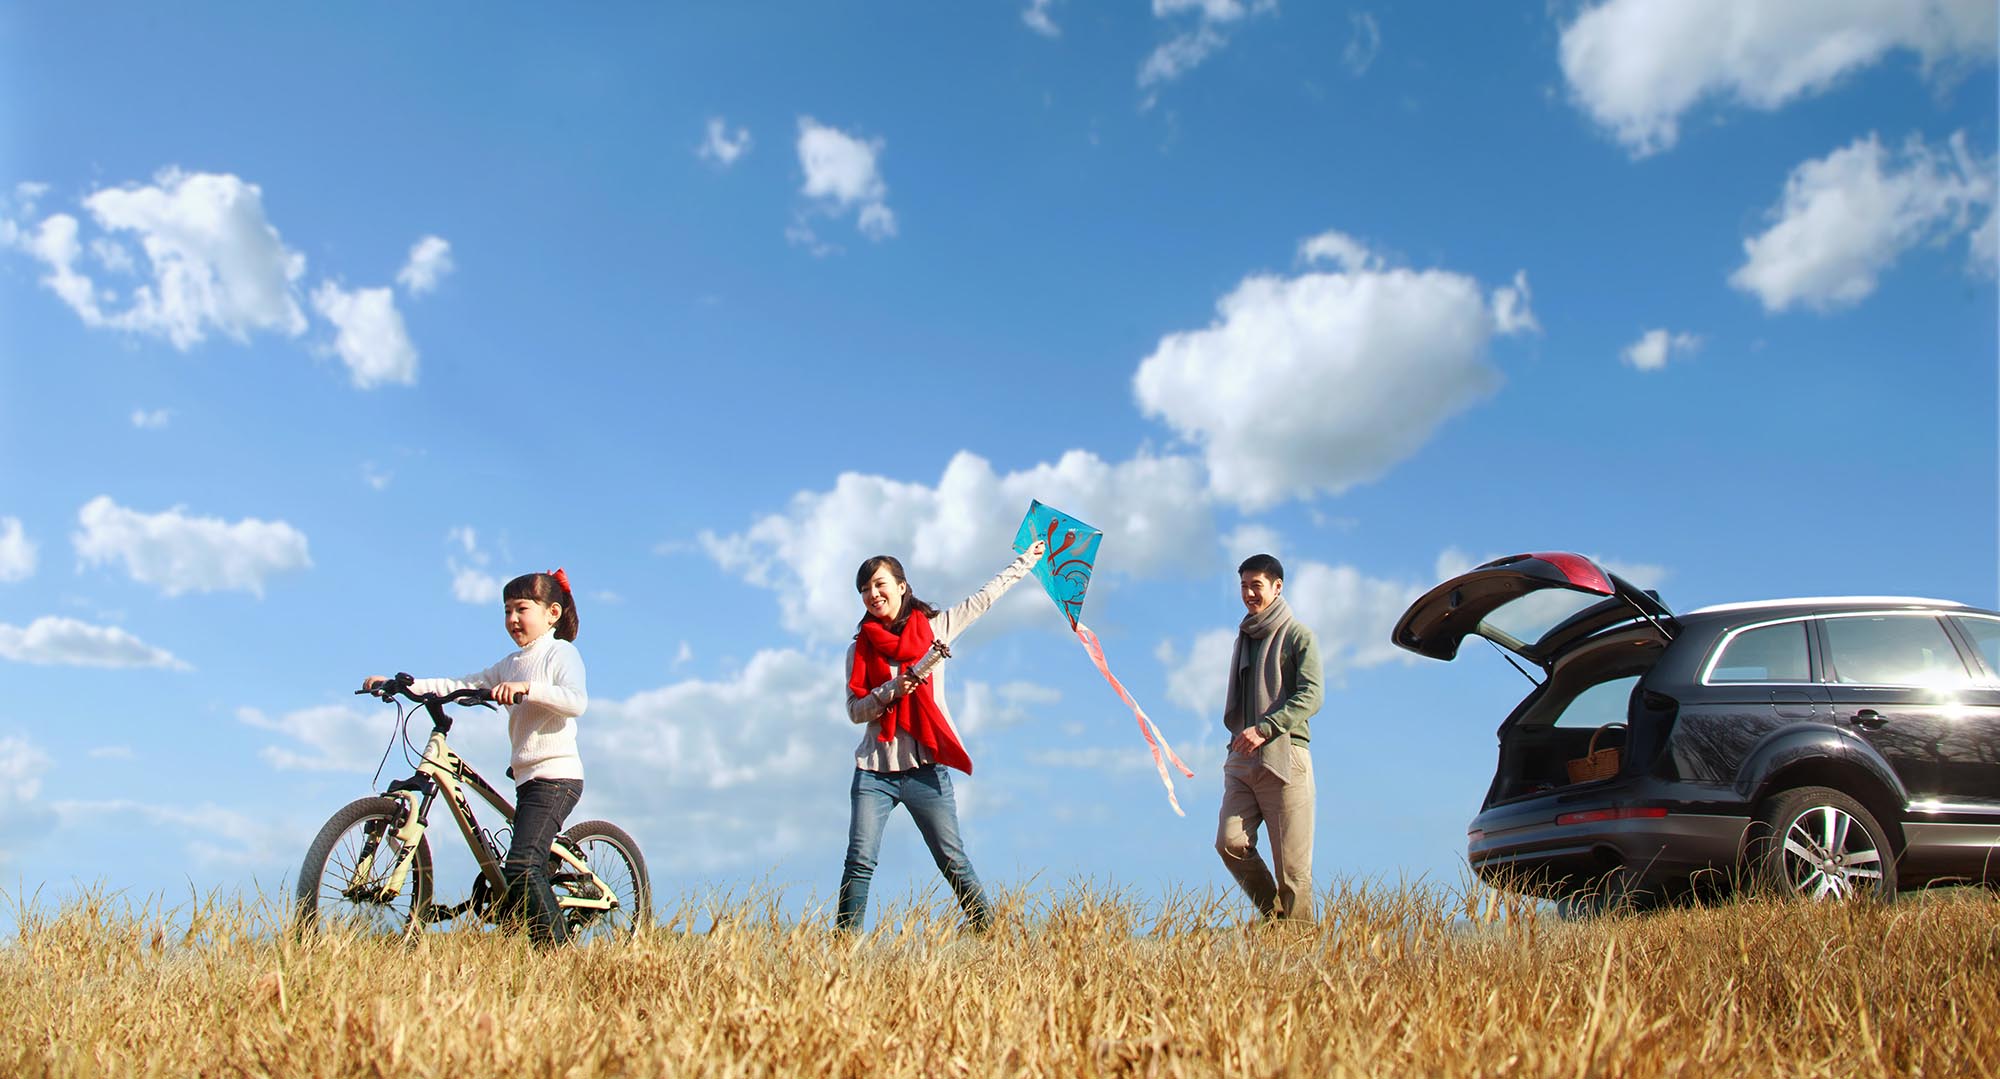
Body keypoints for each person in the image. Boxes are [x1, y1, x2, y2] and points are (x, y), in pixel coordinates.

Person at [363, 569, 587, 946]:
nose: (512, 619)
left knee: (522, 865)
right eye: (506, 611)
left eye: (521, 609)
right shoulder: (510, 663)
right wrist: (401, 684)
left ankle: (556, 953)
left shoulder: (561, 653)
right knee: (522, 865)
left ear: (552, 613)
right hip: (525, 776)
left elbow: (575, 701)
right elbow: (460, 684)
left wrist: (528, 689)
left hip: (557, 777)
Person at [836, 539, 1044, 932]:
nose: (872, 594)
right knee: (859, 861)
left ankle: (991, 933)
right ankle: (843, 945)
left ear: (901, 586)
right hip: (874, 772)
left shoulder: (937, 629)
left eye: (879, 584)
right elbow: (854, 711)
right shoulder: (859, 649)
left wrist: (1025, 562)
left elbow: (985, 598)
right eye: (864, 589)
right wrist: (891, 691)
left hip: (925, 769)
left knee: (953, 859)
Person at [1215, 553, 1323, 921]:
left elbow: (1312, 695)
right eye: (1243, 586)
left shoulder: (1298, 635)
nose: (1248, 593)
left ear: (1277, 587)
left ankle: (1299, 951)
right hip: (1243, 759)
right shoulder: (1244, 637)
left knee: (1292, 870)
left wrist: (1266, 728)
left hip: (1285, 755)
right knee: (1230, 843)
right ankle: (1276, 917)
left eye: (1255, 585)